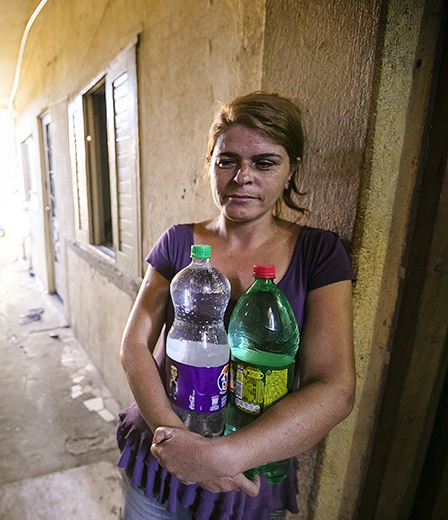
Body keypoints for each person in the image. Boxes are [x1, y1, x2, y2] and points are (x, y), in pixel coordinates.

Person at [117, 91, 356, 519]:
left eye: (265, 162)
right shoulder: (178, 242)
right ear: (209, 163)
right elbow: (133, 345)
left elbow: (334, 388)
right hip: (161, 451)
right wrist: (178, 444)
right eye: (227, 160)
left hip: (250, 470)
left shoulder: (319, 254)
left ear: (291, 170)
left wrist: (220, 458)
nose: (242, 176)